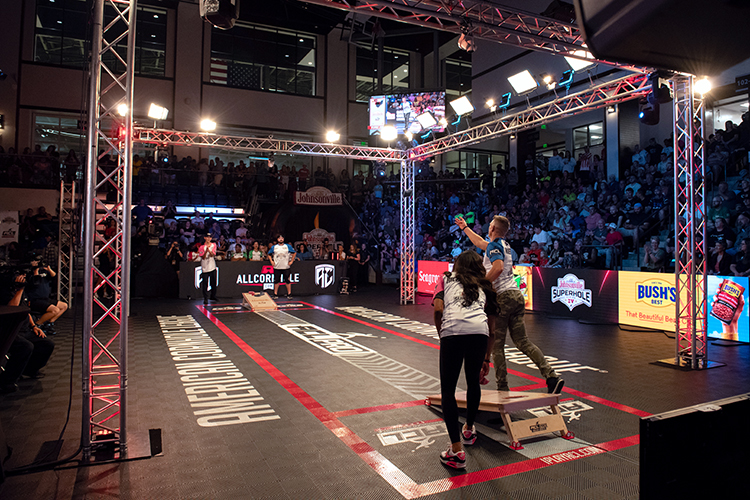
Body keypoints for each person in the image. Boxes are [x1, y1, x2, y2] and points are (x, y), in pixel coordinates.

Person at [454, 215, 564, 394]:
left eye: (489, 225)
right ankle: (551, 376)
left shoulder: (495, 246)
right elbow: (481, 243)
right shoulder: (503, 245)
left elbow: (497, 268)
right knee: (523, 342)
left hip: (503, 297)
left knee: (497, 346)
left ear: (492, 229)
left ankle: (503, 391)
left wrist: (479, 285)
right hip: (516, 296)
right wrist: (465, 228)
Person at [432, 250, 498, 469]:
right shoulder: (486, 286)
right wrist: (486, 358)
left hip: (453, 331)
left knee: (448, 391)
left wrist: (443, 335)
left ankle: (456, 450)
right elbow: (493, 330)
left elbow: (439, 309)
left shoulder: (445, 278)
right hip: (479, 333)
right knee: (473, 382)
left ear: (457, 265)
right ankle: (469, 429)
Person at [0, 274, 55, 393]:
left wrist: (34, 326)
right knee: (25, 347)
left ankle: (30, 370)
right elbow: (12, 308)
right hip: (10, 331)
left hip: (25, 329)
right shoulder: (5, 292)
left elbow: (26, 310)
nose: (23, 279)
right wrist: (19, 289)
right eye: (20, 277)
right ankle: (7, 381)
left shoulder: (23, 292)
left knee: (47, 344)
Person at [25, 256, 67, 335]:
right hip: (35, 299)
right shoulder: (30, 274)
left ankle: (49, 323)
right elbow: (35, 283)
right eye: (35, 261)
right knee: (55, 310)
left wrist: (49, 269)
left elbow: (54, 277)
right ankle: (37, 324)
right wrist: (35, 270)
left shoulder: (44, 271)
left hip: (45, 298)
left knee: (64, 306)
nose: (37, 263)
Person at [268, 234, 296, 299]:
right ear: (277, 239)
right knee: (276, 281)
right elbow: (269, 254)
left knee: (287, 280)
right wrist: (271, 261)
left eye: (282, 238)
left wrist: (291, 261)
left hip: (286, 266)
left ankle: (289, 294)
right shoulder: (274, 247)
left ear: (283, 239)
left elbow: (294, 253)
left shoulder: (288, 246)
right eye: (279, 238)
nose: (281, 239)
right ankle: (275, 294)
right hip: (277, 266)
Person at [198, 233, 218, 305]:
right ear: (205, 238)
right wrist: (206, 250)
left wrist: (209, 250)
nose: (209, 239)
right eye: (207, 237)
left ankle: (213, 296)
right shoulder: (201, 247)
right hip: (205, 267)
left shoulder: (213, 245)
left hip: (212, 266)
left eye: (210, 237)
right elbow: (202, 257)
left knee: (213, 282)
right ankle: (205, 298)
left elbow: (213, 254)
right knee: (205, 283)